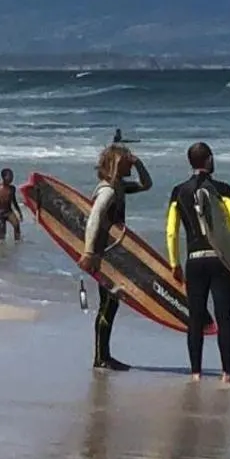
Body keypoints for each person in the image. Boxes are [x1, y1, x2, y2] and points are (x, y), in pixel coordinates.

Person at [166, 142, 230, 383]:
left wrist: (174, 263)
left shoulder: (178, 191)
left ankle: (196, 373)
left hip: (194, 261)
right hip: (220, 260)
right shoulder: (222, 189)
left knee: (195, 318)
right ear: (209, 160)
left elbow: (171, 231)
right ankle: (227, 373)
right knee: (224, 317)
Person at [79, 144, 153, 372]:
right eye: (127, 162)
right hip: (104, 254)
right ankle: (101, 357)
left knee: (111, 303)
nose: (130, 164)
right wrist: (89, 252)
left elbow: (147, 185)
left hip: (111, 253)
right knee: (108, 304)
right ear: (117, 164)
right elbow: (94, 217)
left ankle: (104, 355)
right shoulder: (108, 191)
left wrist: (138, 163)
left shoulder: (118, 187)